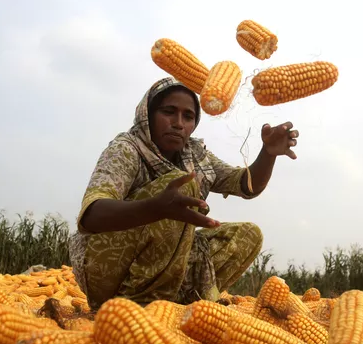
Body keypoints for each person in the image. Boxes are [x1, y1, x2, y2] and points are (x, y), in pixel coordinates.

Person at [68, 77, 299, 310]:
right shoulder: (127, 148)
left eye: (188, 117)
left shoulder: (195, 155)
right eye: (169, 112)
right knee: (182, 186)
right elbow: (92, 215)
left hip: (160, 269)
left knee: (249, 234)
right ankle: (137, 305)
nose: (178, 123)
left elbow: (245, 185)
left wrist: (268, 154)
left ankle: (178, 302)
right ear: (147, 115)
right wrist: (154, 208)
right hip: (106, 271)